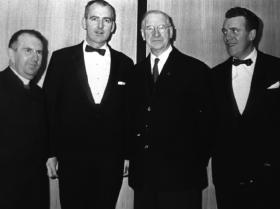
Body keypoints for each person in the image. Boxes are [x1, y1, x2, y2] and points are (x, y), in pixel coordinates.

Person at [43, 0, 134, 208]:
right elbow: (49, 108)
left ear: (114, 26)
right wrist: (50, 152)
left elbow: (129, 113)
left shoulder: (125, 64)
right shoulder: (61, 59)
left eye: (106, 20)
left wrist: (128, 155)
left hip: (111, 160)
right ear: (84, 22)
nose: (100, 26)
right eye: (94, 19)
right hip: (71, 158)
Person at [126, 10, 212, 209]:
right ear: (142, 34)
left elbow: (208, 125)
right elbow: (130, 120)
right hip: (144, 180)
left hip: (182, 180)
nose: (155, 33)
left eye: (162, 27)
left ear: (171, 31)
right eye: (149, 28)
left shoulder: (196, 71)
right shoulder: (135, 73)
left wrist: (193, 163)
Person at [211, 7, 280, 209]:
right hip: (227, 179)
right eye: (225, 31)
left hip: (270, 176)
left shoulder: (276, 69)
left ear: (252, 34)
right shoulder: (213, 76)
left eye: (234, 31)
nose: (228, 37)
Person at [0, 29, 49, 209]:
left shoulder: (40, 94)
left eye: (39, 52)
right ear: (11, 54)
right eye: (27, 51)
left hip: (35, 192)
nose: (35, 58)